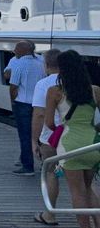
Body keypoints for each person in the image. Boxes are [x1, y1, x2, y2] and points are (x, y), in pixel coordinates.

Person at [45, 50, 100, 228]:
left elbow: (48, 123)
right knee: (88, 187)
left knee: (77, 191)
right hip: (92, 144)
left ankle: (84, 226)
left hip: (69, 144)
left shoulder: (55, 92)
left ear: (61, 69)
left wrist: (61, 128)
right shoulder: (95, 91)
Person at [31, 49, 61, 226]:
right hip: (75, 137)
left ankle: (50, 214)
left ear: (46, 65)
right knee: (85, 181)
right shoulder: (76, 82)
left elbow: (39, 115)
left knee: (51, 173)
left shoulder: (43, 84)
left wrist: (34, 140)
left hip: (50, 137)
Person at [10, 40, 46, 176]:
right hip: (40, 104)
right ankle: (45, 163)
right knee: (41, 135)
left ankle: (27, 166)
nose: (14, 51)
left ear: (24, 50)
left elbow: (13, 86)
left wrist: (12, 101)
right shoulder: (41, 63)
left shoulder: (19, 64)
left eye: (16, 48)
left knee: (25, 135)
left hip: (23, 103)